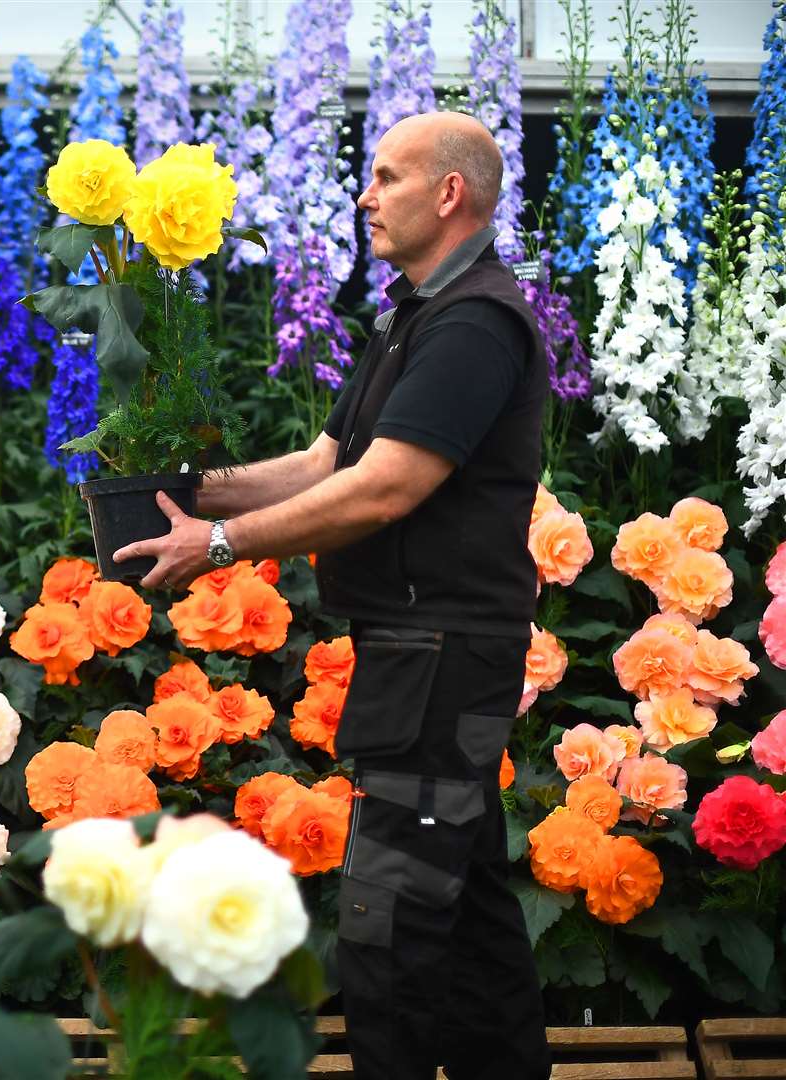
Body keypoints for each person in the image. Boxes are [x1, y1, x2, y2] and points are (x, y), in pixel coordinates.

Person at [114, 111, 551, 1080]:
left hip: (442, 659)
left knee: (386, 930)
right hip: (418, 657)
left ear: (448, 194)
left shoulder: (475, 322)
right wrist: (183, 490)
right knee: (471, 924)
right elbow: (326, 462)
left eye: (386, 176)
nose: (363, 195)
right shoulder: (412, 316)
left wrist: (217, 543)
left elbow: (387, 485)